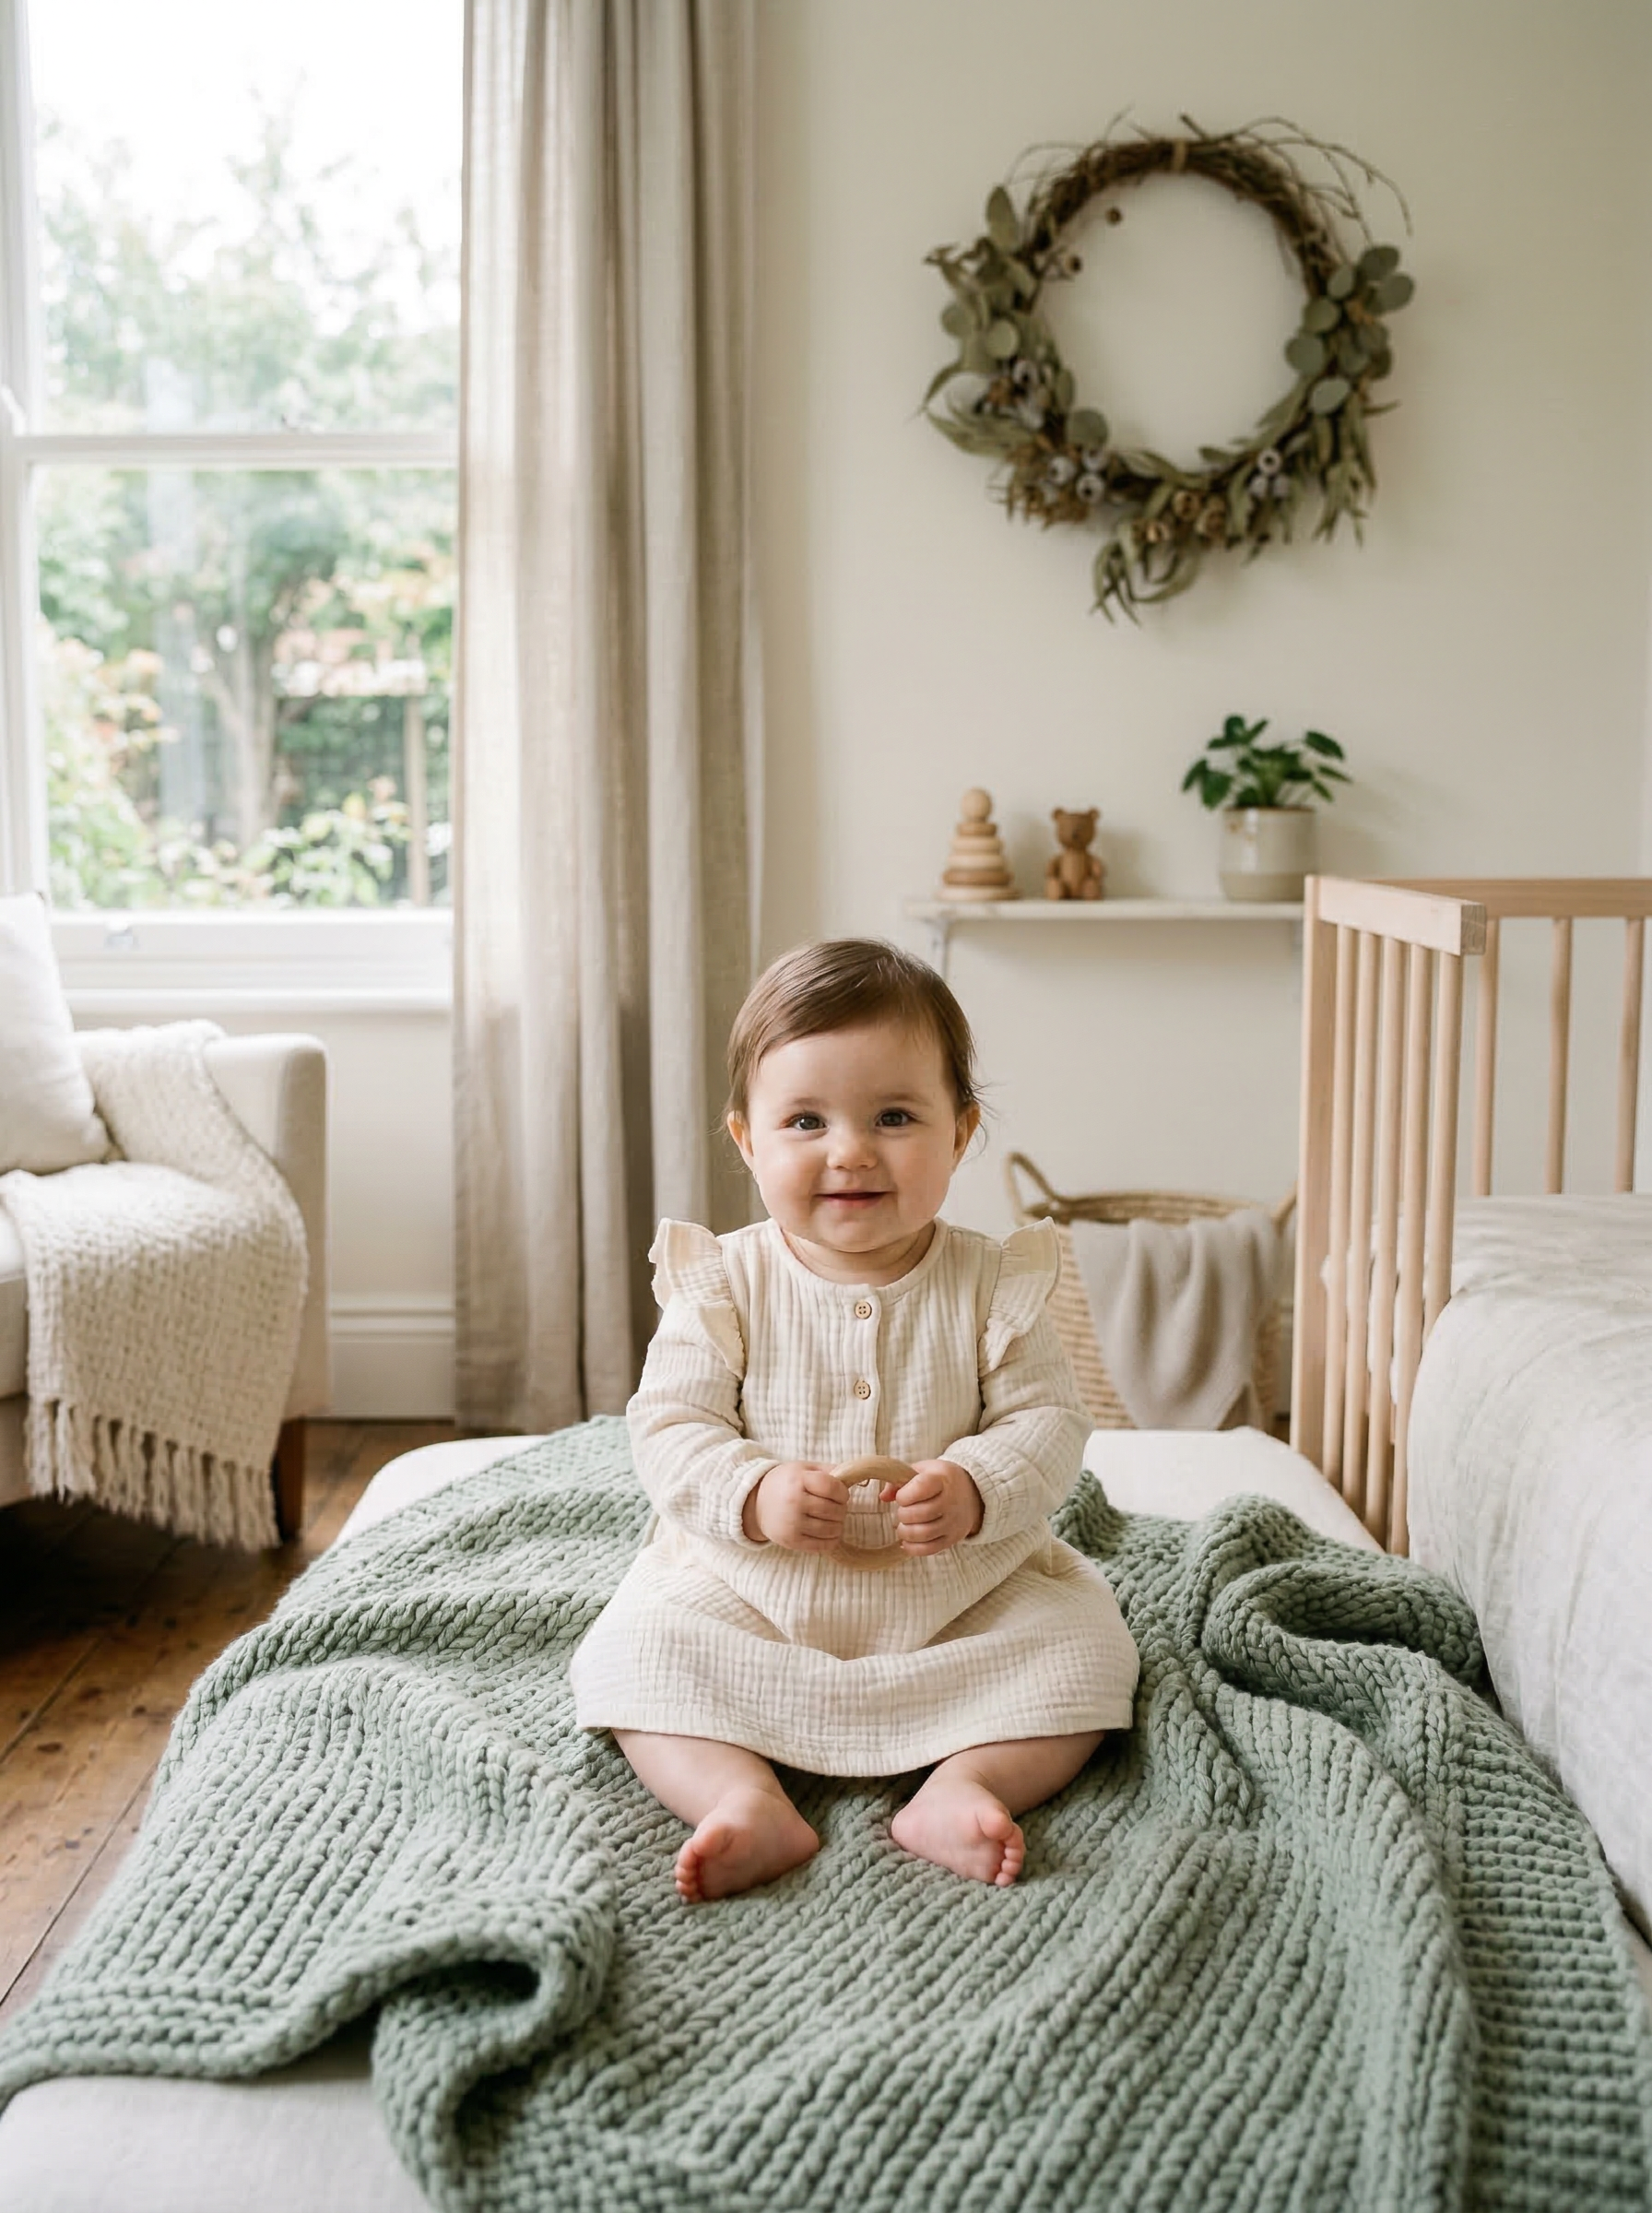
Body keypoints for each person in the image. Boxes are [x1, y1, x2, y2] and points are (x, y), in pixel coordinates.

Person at [570, 938, 1139, 1902]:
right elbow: (670, 1426)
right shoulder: (724, 1283)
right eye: (806, 1120)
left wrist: (977, 1486)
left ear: (959, 1134)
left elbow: (1048, 1420)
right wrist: (751, 1491)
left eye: (894, 1117)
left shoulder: (994, 1283)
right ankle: (738, 1795)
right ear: (747, 1141)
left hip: (959, 1596)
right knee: (634, 1650)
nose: (851, 1151)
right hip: (754, 1594)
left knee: (1088, 1648)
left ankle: (964, 1785)